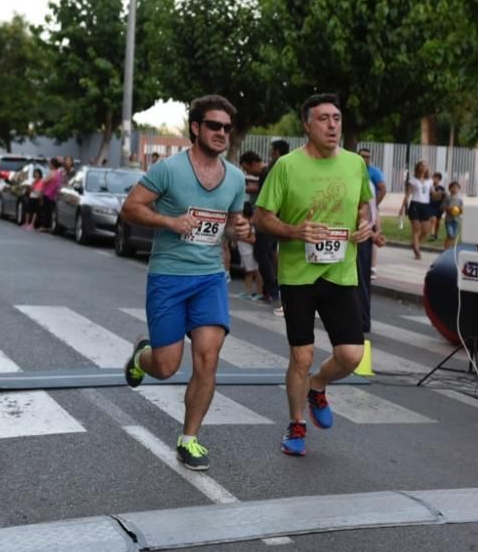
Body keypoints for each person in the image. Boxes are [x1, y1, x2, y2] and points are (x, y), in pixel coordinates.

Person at [120, 94, 250, 471]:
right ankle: (141, 358)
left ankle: (189, 439)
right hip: (169, 276)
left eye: (227, 128)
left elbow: (232, 226)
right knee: (166, 365)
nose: (222, 133)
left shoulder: (236, 178)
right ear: (196, 128)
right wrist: (169, 222)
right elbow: (131, 208)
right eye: (214, 126)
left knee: (208, 359)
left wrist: (239, 228)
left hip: (209, 278)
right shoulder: (168, 170)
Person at [254, 93, 374, 458]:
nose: (333, 125)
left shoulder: (355, 164)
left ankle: (317, 387)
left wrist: (364, 223)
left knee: (352, 355)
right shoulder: (287, 167)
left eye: (336, 118)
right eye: (323, 118)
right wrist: (294, 232)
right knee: (301, 357)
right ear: (307, 125)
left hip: (341, 272)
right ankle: (296, 424)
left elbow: (363, 205)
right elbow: (262, 217)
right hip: (299, 276)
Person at [254, 140, 290, 308]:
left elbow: (266, 195)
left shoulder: (274, 167)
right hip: (281, 217)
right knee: (272, 252)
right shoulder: (290, 165)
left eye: (271, 150)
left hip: (269, 217)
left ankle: (273, 288)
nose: (269, 153)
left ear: (276, 151)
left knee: (262, 252)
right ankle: (276, 286)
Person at [358, 147, 386, 277]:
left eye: (367, 156)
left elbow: (383, 189)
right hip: (360, 216)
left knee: (372, 239)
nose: (365, 159)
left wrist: (375, 205)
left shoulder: (373, 173)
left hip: (370, 210)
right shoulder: (354, 173)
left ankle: (373, 266)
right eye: (362, 156)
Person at [400, 160, 434, 259]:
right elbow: (408, 194)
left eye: (425, 166)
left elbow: (433, 193)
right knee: (416, 230)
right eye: (421, 166)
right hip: (415, 204)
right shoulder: (413, 180)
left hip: (426, 205)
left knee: (426, 230)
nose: (423, 168)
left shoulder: (430, 181)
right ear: (418, 168)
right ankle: (417, 252)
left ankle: (415, 243)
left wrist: (441, 195)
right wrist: (402, 207)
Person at [36, 157, 62, 232]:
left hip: (48, 193)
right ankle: (47, 225)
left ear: (53, 165)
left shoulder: (52, 173)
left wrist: (41, 192)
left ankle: (45, 226)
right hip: (53, 194)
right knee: (49, 210)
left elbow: (44, 181)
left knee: (46, 210)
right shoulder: (58, 173)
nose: (49, 165)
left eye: (50, 163)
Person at [442, 181, 463, 250]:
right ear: (449, 189)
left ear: (459, 189)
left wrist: (460, 210)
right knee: (450, 234)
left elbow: (461, 209)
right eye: (453, 187)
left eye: (456, 188)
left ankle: (448, 248)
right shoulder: (447, 198)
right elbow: (443, 207)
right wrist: (449, 209)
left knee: (453, 236)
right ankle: (446, 248)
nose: (455, 189)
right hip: (449, 220)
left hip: (456, 220)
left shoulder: (460, 199)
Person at [429, 172, 446, 240]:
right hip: (431, 206)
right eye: (434, 178)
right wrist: (438, 195)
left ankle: (436, 233)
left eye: (437, 178)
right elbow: (431, 196)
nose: (435, 179)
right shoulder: (430, 187)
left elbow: (444, 197)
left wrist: (444, 206)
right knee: (433, 220)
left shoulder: (442, 188)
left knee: (438, 222)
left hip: (439, 206)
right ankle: (432, 234)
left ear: (439, 180)